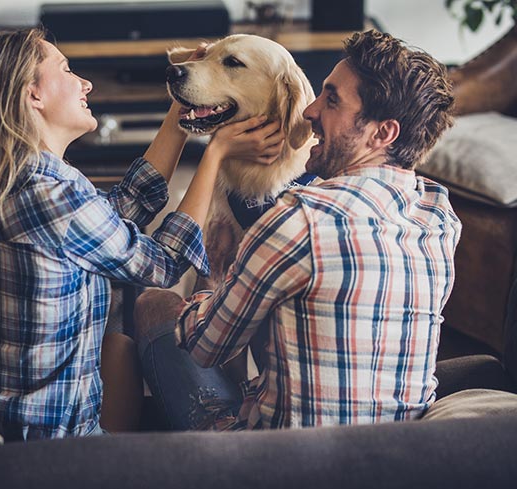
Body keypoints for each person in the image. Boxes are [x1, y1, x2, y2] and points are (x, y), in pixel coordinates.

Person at [0, 28, 285, 440]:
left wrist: (181, 116)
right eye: (67, 70)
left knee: (118, 347)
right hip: (39, 442)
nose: (85, 83)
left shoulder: (21, 178)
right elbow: (160, 265)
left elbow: (119, 211)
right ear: (32, 95)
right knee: (140, 332)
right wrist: (214, 154)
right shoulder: (49, 196)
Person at [134, 29, 462, 430]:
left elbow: (205, 346)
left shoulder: (298, 220)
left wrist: (217, 284)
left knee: (151, 301)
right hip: (396, 450)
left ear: (383, 133)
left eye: (332, 100)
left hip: (286, 459)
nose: (309, 111)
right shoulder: (440, 216)